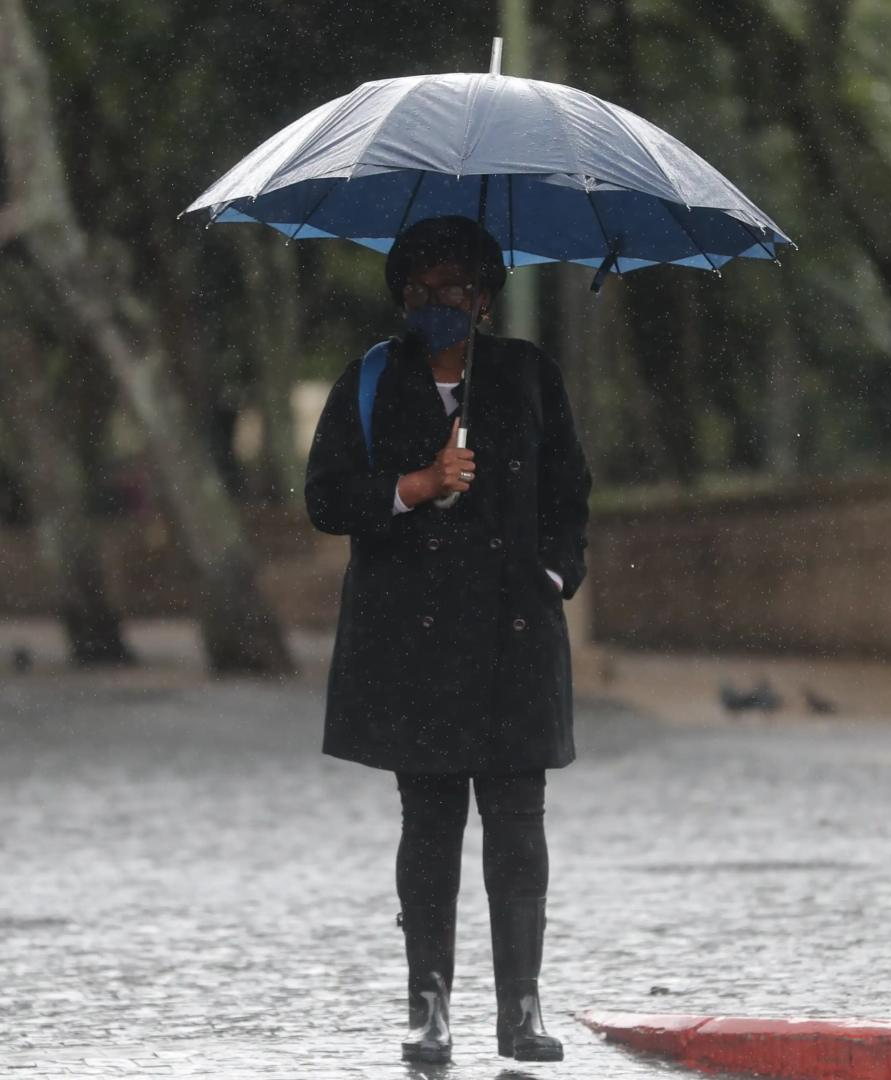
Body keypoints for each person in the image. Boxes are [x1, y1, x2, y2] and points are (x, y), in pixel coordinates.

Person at [304, 215, 593, 1064]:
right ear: (401, 295)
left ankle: (522, 1008)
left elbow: (569, 496)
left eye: (454, 290)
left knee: (517, 827)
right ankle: (428, 1007)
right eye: (420, 291)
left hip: (512, 640)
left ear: (485, 299)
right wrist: (415, 485)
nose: (436, 305)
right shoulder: (368, 380)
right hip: (412, 645)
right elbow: (325, 499)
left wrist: (552, 577)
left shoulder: (528, 376)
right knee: (428, 828)